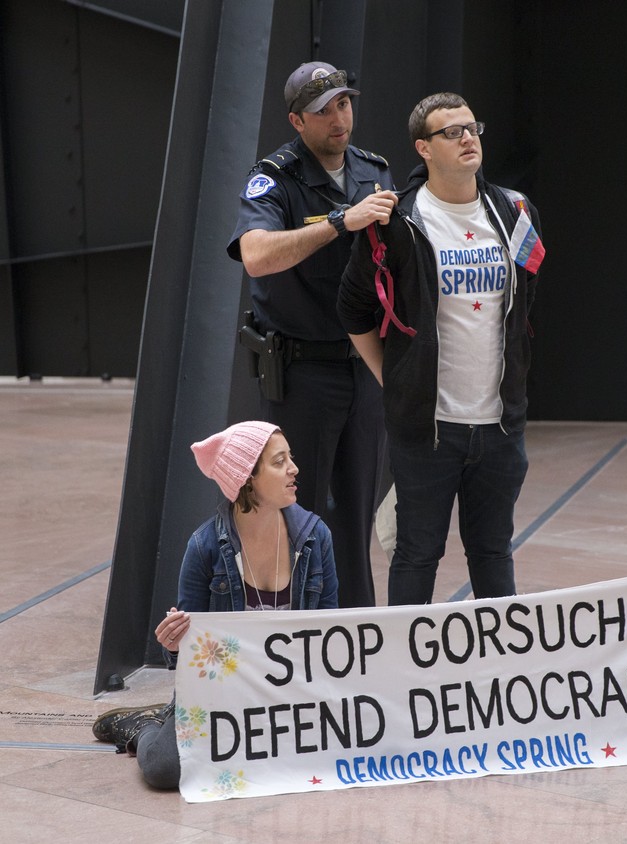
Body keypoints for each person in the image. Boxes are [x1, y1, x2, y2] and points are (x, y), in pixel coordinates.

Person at [337, 92, 545, 605]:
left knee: (494, 553)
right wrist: (396, 379)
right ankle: (409, 682)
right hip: (426, 430)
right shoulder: (399, 222)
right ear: (423, 148)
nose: (468, 138)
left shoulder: (515, 212)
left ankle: (500, 672)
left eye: (472, 127)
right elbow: (352, 309)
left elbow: (524, 300)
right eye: (451, 132)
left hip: (499, 425)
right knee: (416, 555)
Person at [227, 62, 397, 608]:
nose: (338, 118)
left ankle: (357, 633)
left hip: (363, 367)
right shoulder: (275, 178)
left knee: (356, 511)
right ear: (298, 120)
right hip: (303, 374)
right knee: (297, 514)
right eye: (323, 111)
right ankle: (297, 629)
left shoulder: (375, 172)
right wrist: (337, 222)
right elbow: (254, 255)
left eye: (344, 104)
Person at [91, 421, 338, 788]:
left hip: (293, 693)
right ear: (247, 478)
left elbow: (332, 631)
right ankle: (145, 727)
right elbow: (188, 658)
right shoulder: (205, 546)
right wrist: (175, 644)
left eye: (291, 458)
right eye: (279, 461)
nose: (294, 469)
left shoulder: (316, 538)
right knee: (164, 770)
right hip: (222, 694)